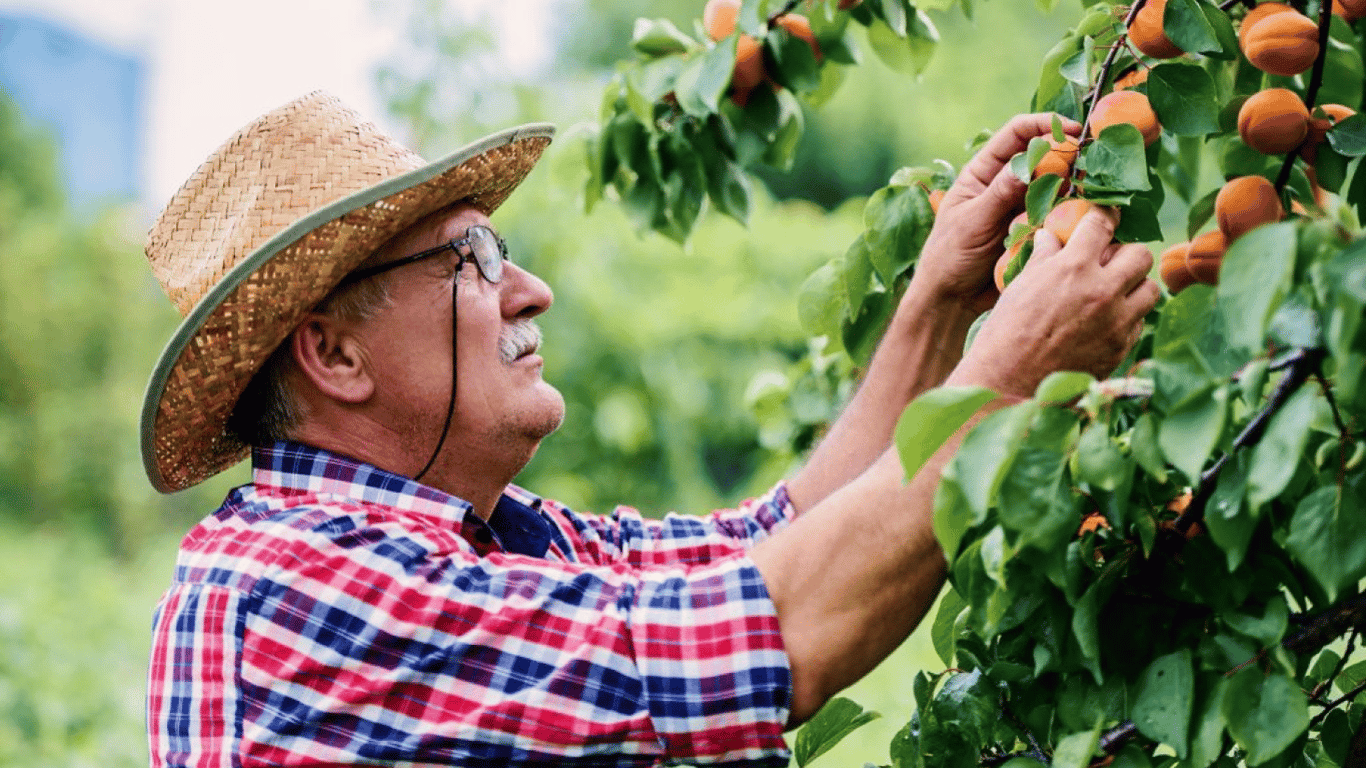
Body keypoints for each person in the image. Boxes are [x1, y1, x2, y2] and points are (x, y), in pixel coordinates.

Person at [142, 92, 1158, 767]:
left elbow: (773, 542)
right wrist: (1009, 378)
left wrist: (938, 305)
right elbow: (761, 639)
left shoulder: (478, 541)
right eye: (476, 261)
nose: (529, 291)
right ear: (335, 355)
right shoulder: (292, 589)